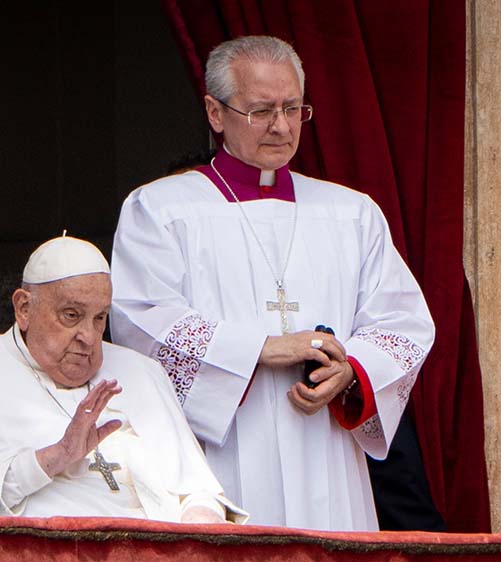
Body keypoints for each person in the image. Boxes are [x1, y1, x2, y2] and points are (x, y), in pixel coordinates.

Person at [110, 36, 435, 531]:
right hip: (223, 448)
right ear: (215, 113)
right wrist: (262, 348)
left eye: (293, 108)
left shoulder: (351, 213)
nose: (281, 127)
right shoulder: (160, 209)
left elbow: (403, 322)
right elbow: (142, 322)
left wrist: (352, 372)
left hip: (327, 451)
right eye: (260, 110)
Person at [0, 235, 246, 523]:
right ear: (24, 308)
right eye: (71, 316)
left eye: (100, 318)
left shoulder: (142, 373)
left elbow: (198, 491)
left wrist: (199, 528)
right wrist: (53, 459)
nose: (90, 339)